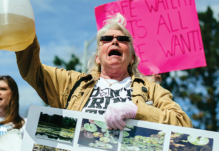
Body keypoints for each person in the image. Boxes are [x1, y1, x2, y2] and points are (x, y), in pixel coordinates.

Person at [15, 13, 192, 131]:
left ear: (131, 58)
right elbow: (33, 69)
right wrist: (24, 32)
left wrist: (137, 110)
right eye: (106, 39)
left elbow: (183, 125)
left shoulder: (151, 89)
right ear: (98, 57)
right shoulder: (72, 83)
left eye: (122, 39)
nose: (114, 41)